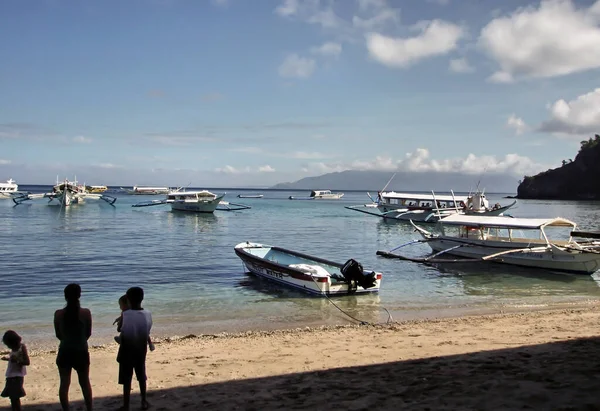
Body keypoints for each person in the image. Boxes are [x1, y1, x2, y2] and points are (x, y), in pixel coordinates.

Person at [54, 283, 93, 411]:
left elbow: (58, 334)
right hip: (81, 351)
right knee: (85, 383)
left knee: (64, 384)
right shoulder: (86, 313)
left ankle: (66, 409)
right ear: (79, 295)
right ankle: (89, 408)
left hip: (65, 351)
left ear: (65, 296)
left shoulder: (58, 314)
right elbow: (88, 334)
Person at [117, 287, 152, 411]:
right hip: (141, 350)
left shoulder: (126, 314)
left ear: (128, 300)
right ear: (142, 298)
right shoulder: (148, 314)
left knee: (127, 379)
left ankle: (126, 405)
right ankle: (143, 400)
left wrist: (121, 318)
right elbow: (147, 330)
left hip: (126, 351)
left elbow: (119, 329)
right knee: (141, 376)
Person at [1, 330, 30, 411]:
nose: (8, 347)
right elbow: (15, 358)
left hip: (16, 376)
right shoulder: (15, 348)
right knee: (13, 397)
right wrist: (9, 359)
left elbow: (27, 362)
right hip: (11, 375)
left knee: (14, 397)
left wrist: (16, 361)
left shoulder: (21, 348)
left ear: (12, 342)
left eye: (8, 345)